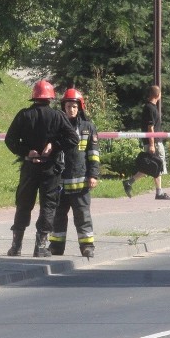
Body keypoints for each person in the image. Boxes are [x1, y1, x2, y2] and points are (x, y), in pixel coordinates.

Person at [5, 80, 80, 257]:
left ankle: (16, 246)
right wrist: (53, 146)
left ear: (34, 97)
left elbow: (10, 140)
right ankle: (40, 247)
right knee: (48, 205)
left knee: (23, 204)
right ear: (50, 97)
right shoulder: (57, 116)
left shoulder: (24, 115)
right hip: (50, 169)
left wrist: (26, 152)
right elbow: (73, 139)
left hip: (30, 168)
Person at [48, 88, 100, 258]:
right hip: (60, 183)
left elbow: (93, 153)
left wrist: (93, 175)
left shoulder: (87, 127)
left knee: (82, 216)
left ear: (79, 108)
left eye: (74, 107)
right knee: (57, 216)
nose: (71, 109)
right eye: (68, 106)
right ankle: (56, 245)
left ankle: (87, 246)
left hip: (81, 182)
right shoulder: (56, 126)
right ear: (63, 107)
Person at [122, 85, 170, 200]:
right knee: (157, 165)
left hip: (154, 141)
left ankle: (129, 182)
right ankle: (159, 192)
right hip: (154, 142)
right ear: (158, 95)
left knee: (151, 166)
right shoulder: (150, 108)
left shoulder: (150, 107)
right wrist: (152, 144)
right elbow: (150, 128)